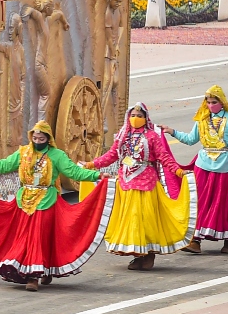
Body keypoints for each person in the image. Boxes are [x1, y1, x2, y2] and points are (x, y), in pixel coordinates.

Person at [0, 121, 108, 291]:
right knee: (25, 238)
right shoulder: (23, 153)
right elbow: (4, 165)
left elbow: (74, 172)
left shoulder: (57, 155)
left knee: (40, 238)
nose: (37, 141)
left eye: (41, 138)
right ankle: (35, 272)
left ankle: (35, 276)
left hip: (46, 201)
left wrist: (96, 175)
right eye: (35, 138)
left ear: (48, 139)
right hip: (24, 202)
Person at [81, 103, 194, 271]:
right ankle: (137, 254)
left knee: (145, 219)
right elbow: (112, 155)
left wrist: (178, 171)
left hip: (146, 184)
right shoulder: (123, 135)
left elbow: (163, 157)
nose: (136, 118)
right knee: (131, 220)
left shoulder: (151, 136)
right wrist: (92, 164)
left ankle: (148, 254)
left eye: (139, 116)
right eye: (133, 115)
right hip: (126, 183)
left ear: (145, 118)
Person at [161, 86, 228, 253]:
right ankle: (196, 240)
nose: (211, 105)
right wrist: (171, 132)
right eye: (208, 102)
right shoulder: (201, 120)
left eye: (214, 102)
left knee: (225, 203)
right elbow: (190, 140)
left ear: (222, 102)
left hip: (227, 166)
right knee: (200, 202)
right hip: (203, 166)